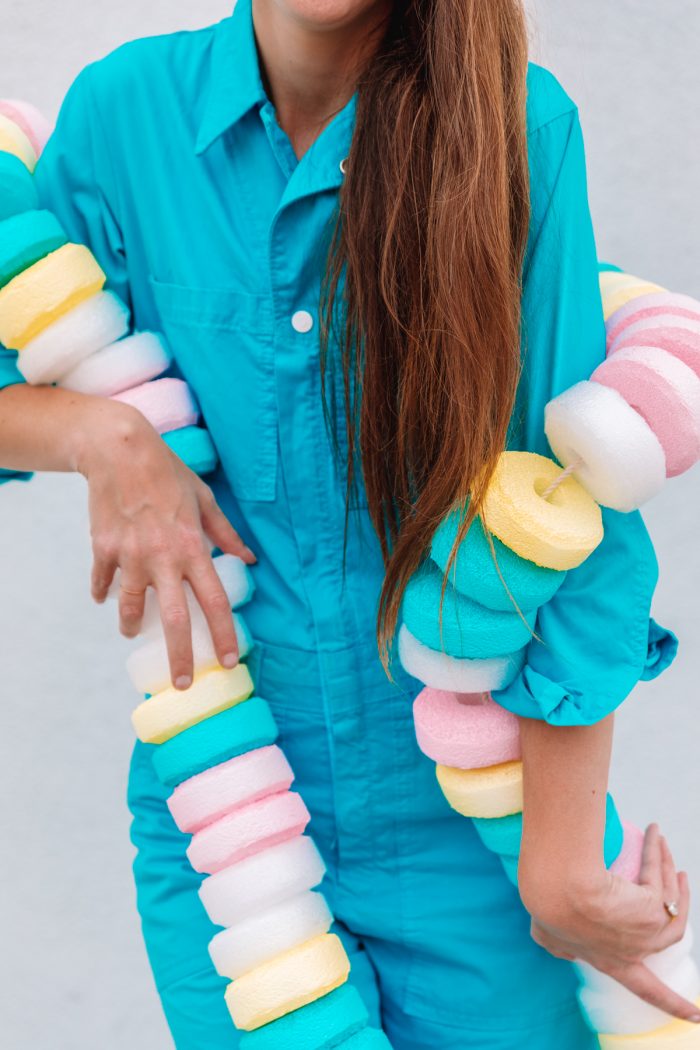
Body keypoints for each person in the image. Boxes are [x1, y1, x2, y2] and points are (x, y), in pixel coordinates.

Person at [0, 1, 696, 1047]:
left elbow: (572, 505)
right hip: (226, 815)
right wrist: (106, 440)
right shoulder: (126, 113)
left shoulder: (516, 128)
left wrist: (556, 873)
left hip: (476, 823)